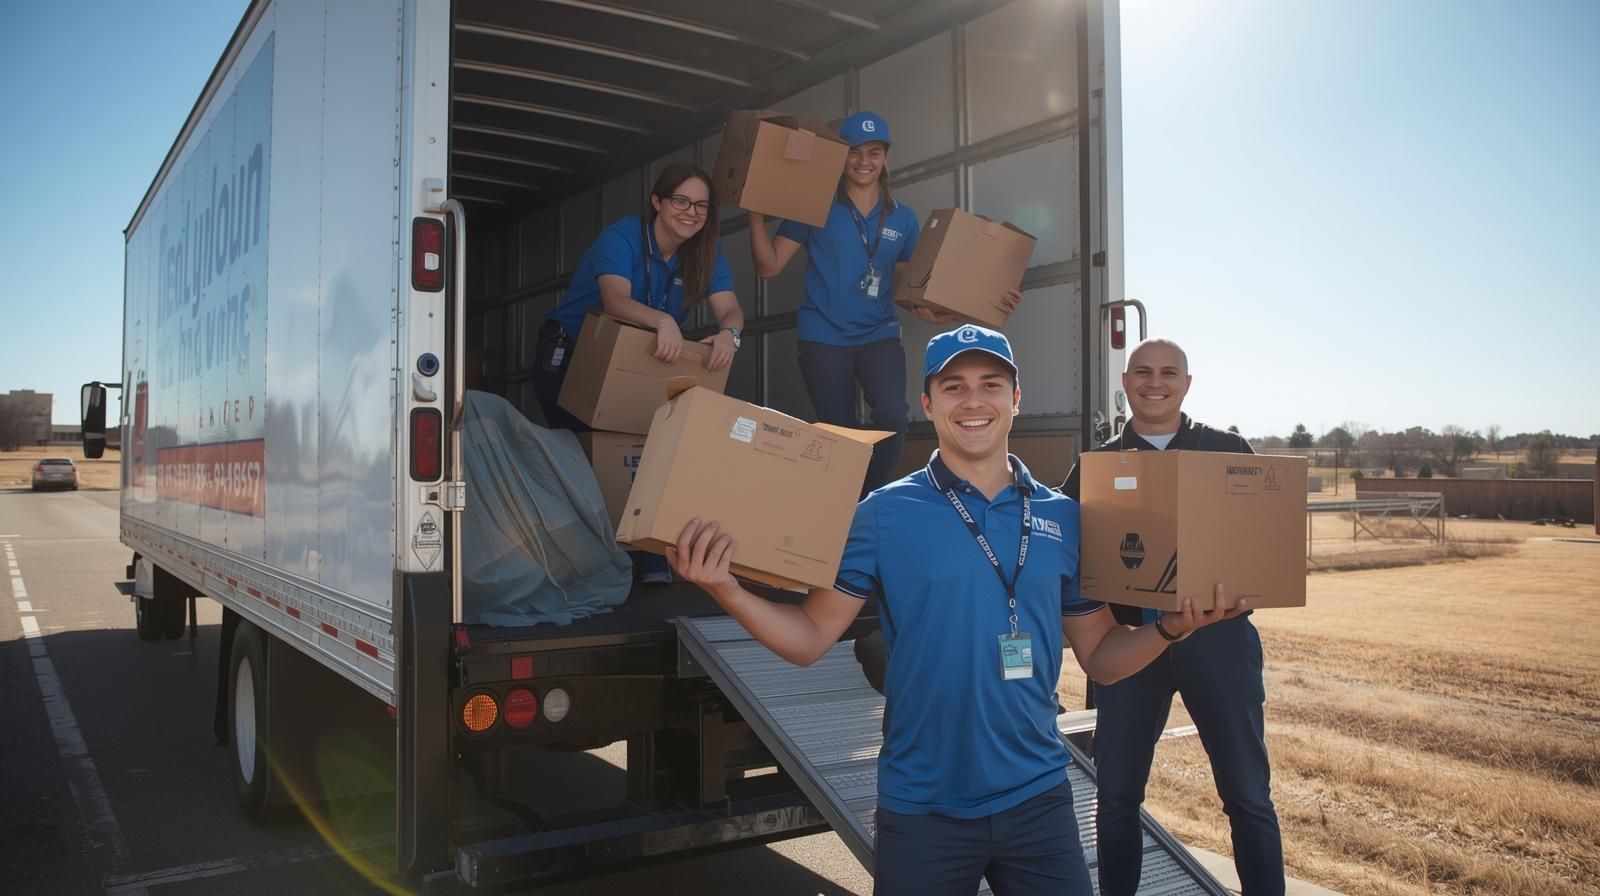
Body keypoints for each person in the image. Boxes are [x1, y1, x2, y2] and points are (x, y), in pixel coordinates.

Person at [669, 325, 1246, 896]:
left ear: (1016, 400)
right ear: (927, 403)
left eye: (991, 384)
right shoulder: (882, 514)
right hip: (923, 810)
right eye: (954, 387)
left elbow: (1100, 655)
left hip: (1038, 802)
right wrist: (728, 590)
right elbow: (810, 637)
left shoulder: (1066, 518)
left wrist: (1169, 629)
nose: (974, 401)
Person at [1061, 338, 1284, 896]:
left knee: (1247, 795)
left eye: (1168, 373)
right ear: (1127, 383)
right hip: (1133, 644)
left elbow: (1264, 537)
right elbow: (1062, 541)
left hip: (1219, 641)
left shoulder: (1225, 448)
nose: (1154, 382)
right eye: (1142, 372)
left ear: (1187, 384)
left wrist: (1247, 586)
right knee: (1115, 795)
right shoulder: (1099, 463)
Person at [747, 111, 1022, 497]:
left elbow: (910, 290)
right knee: (838, 431)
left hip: (878, 334)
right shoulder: (813, 205)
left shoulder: (904, 219)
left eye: (874, 152)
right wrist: (755, 210)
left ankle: (868, 500)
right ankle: (839, 505)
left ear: (886, 158)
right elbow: (769, 266)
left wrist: (979, 298)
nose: (864, 161)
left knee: (894, 417)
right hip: (824, 334)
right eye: (854, 151)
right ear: (840, 157)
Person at [534, 162, 745, 583]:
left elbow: (731, 310)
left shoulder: (705, 252)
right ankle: (590, 563)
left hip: (636, 362)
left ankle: (647, 560)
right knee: (587, 455)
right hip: (573, 354)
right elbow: (616, 301)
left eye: (701, 206)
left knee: (654, 449)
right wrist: (663, 321)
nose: (690, 213)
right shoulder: (623, 236)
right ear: (657, 202)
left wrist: (729, 336)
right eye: (680, 201)